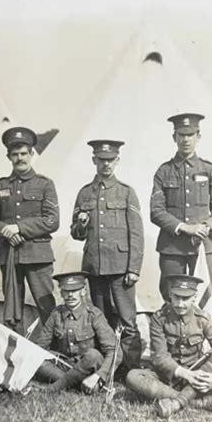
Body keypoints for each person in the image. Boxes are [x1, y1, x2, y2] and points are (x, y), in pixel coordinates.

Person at [70, 140, 144, 370]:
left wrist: (133, 268)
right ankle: (109, 366)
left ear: (117, 161)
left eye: (110, 160)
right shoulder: (84, 194)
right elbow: (76, 233)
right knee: (102, 321)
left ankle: (131, 369)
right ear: (94, 161)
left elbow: (136, 234)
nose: (106, 164)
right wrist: (81, 224)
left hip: (121, 268)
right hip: (95, 267)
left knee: (127, 320)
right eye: (101, 160)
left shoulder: (126, 192)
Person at [0, 126, 59, 332]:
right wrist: (5, 231)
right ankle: (16, 356)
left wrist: (19, 228)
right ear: (9, 156)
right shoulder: (2, 185)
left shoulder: (45, 184)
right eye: (14, 154)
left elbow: (52, 221)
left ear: (32, 154)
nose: (20, 158)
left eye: (23, 153)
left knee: (46, 307)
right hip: (9, 255)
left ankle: (58, 354)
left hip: (38, 257)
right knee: (12, 310)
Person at [125, 275, 212, 418]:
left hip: (197, 375)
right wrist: (187, 375)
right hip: (168, 377)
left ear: (194, 298)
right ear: (170, 294)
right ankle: (198, 403)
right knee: (132, 377)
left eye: (185, 299)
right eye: (176, 297)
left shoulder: (203, 319)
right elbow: (160, 357)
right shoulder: (159, 319)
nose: (180, 304)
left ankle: (176, 402)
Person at [150, 113, 212, 306]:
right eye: (181, 135)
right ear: (174, 137)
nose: (186, 139)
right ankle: (172, 335)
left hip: (202, 245)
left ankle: (195, 334)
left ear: (198, 137)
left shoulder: (208, 169)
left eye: (191, 134)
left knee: (205, 291)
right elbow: (156, 211)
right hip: (172, 246)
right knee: (171, 294)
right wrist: (185, 227)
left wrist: (205, 227)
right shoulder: (164, 171)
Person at [34, 272, 122, 393]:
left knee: (93, 355)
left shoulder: (94, 315)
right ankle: (78, 385)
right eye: (66, 291)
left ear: (83, 291)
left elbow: (115, 351)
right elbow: (40, 347)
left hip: (88, 367)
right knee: (39, 360)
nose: (70, 295)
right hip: (65, 366)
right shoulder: (56, 314)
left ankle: (53, 388)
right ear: (61, 293)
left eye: (75, 290)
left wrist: (98, 375)